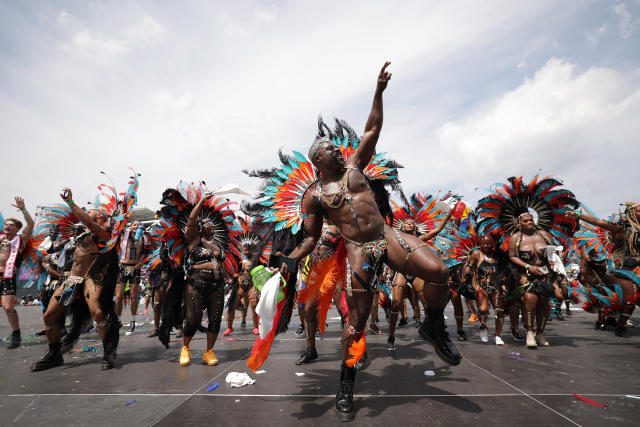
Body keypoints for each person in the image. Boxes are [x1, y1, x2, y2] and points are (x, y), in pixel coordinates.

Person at [278, 62, 460, 421]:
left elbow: (372, 127)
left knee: (438, 270)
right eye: (329, 148)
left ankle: (433, 326)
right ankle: (345, 386)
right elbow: (312, 237)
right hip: (360, 253)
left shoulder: (356, 168)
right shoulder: (314, 196)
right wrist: (290, 259)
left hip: (387, 237)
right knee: (355, 324)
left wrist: (378, 91)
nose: (336, 149)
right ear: (319, 160)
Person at [31, 187, 126, 371]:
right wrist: (50, 241)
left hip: (92, 279)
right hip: (73, 278)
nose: (88, 214)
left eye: (93, 213)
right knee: (49, 316)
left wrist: (70, 202)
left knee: (99, 313)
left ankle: (108, 351)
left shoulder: (103, 234)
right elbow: (51, 249)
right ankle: (54, 355)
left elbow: (87, 221)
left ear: (103, 220)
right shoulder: (77, 237)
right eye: (87, 212)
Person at [1, 197, 35, 349]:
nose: (7, 226)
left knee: (8, 307)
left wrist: (23, 209)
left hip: (8, 276)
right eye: (6, 224)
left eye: (11, 224)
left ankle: (16, 334)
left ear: (17, 229)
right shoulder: (1, 238)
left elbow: (31, 224)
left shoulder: (21, 240)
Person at [115, 221, 144, 335]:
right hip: (122, 267)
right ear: (130, 226)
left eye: (138, 225)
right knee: (118, 297)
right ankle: (117, 320)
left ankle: (132, 320)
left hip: (135, 268)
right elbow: (118, 225)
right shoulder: (123, 235)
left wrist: (141, 263)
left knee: (133, 296)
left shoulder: (143, 237)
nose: (136, 226)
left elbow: (147, 253)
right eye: (134, 224)